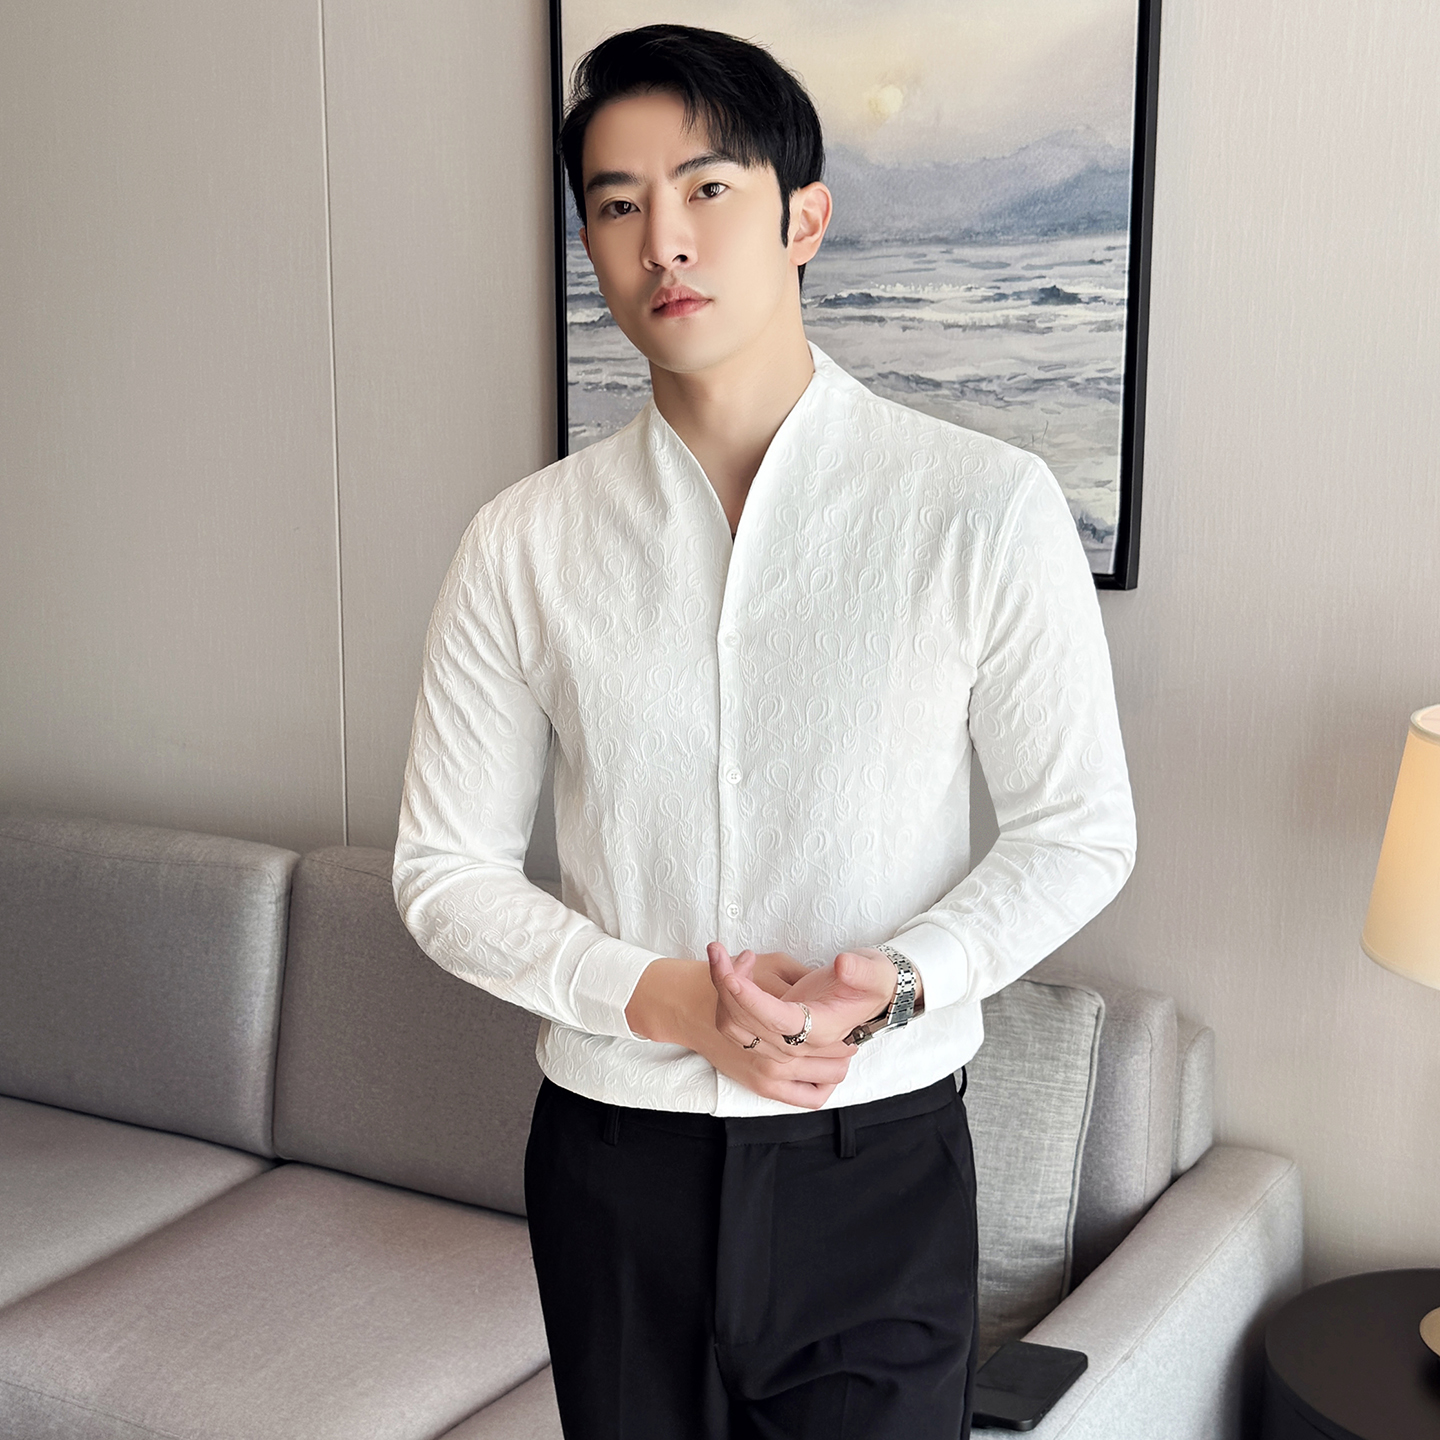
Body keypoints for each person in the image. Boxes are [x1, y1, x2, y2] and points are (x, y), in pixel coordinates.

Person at [393, 22, 1135, 1440]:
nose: (662, 240)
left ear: (804, 219)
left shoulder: (980, 506)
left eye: (707, 187)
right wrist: (660, 998)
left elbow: (1078, 832)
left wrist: (900, 984)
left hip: (875, 1161)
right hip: (614, 1161)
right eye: (617, 204)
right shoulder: (523, 543)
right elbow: (443, 872)